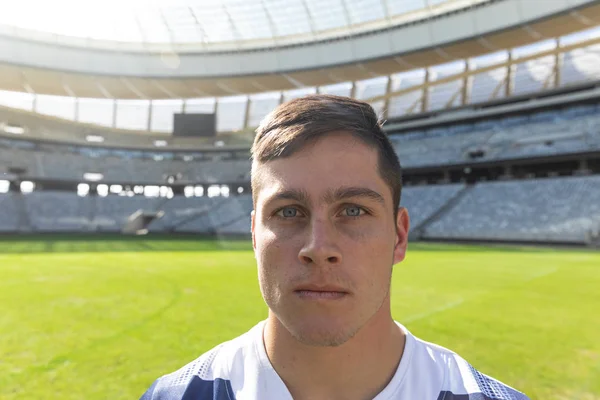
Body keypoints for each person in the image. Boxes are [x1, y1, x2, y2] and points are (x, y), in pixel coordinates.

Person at [140, 95, 529, 400]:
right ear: (255, 235)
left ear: (399, 236)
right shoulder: (174, 396)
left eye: (354, 210)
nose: (318, 247)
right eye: (289, 211)